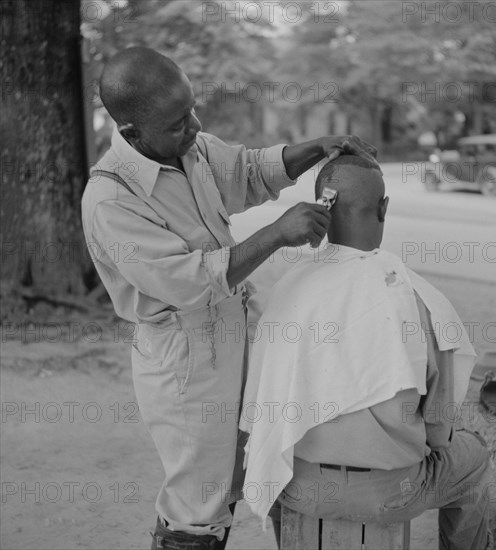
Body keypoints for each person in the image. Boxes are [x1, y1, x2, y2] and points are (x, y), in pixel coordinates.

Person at [81, 46, 377, 550]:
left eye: (193, 110)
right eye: (178, 122)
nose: (194, 127)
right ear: (132, 133)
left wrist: (316, 149)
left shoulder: (188, 148)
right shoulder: (112, 199)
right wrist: (276, 234)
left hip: (233, 338)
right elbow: (189, 281)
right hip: (185, 365)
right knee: (198, 502)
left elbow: (248, 170)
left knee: (241, 472)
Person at [241, 154, 492, 550]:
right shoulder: (415, 297)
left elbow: (262, 408)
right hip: (392, 492)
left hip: (299, 487)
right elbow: (439, 433)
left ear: (323, 207)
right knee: (474, 459)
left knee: (271, 462)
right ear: (384, 208)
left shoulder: (286, 290)